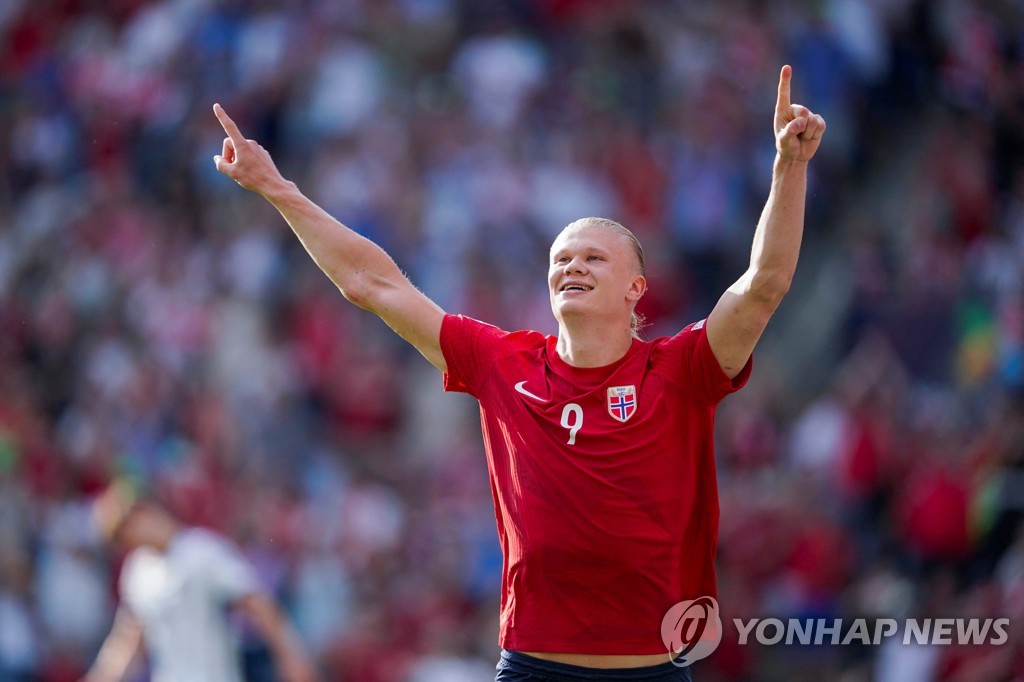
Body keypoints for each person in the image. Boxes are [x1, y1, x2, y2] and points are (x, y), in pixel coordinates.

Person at [212, 64, 825, 681]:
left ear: (636, 288)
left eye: (593, 257)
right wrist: (276, 187)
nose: (572, 266)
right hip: (532, 668)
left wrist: (788, 168)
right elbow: (371, 283)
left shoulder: (682, 369)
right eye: (561, 258)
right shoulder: (504, 363)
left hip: (653, 670)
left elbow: (762, 285)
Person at [82, 480, 317, 682]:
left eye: (126, 529)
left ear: (145, 512)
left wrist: (291, 657)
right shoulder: (137, 571)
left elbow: (258, 604)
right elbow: (130, 639)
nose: (128, 540)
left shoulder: (202, 550)